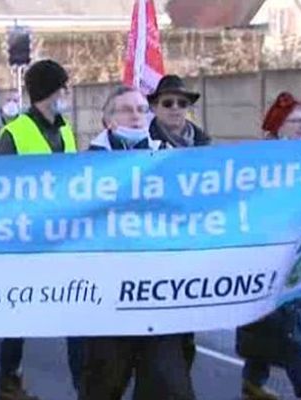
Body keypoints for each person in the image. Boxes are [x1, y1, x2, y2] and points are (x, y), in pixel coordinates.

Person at [79, 86, 195, 400]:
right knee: (102, 389)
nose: (136, 116)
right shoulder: (83, 168)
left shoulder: (169, 161)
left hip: (157, 301)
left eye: (142, 109)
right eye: (126, 110)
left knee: (169, 389)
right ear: (107, 121)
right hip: (106, 306)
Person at [0, 59, 78, 400]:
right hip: (25, 239)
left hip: (65, 236)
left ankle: (85, 385)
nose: (68, 94)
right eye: (64, 87)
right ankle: (9, 380)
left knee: (78, 308)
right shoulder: (13, 133)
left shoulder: (66, 130)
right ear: (50, 91)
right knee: (20, 313)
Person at [236, 92, 301, 400]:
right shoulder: (261, 163)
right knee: (281, 322)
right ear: (278, 128)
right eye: (296, 122)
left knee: (281, 317)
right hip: (270, 252)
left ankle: (253, 380)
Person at [147, 74, 211, 371]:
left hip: (190, 245)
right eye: (167, 102)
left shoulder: (203, 144)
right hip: (151, 247)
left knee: (185, 327)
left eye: (182, 103)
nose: (175, 108)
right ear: (155, 107)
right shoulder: (138, 143)